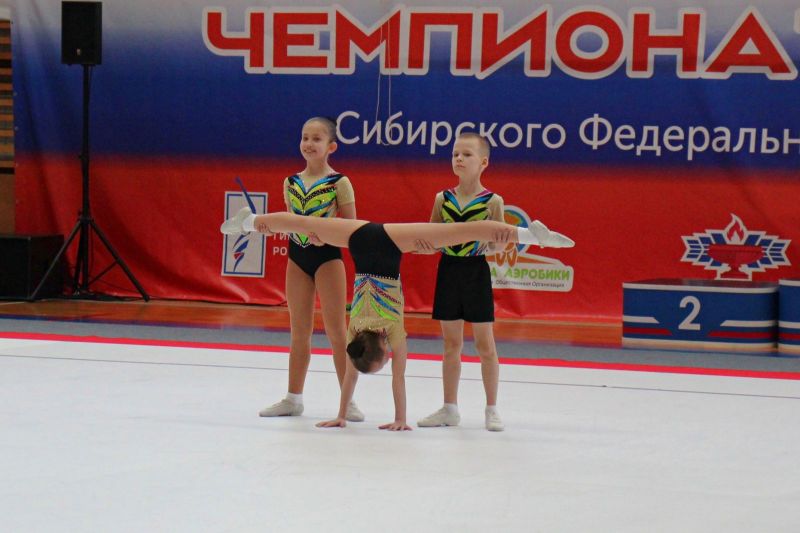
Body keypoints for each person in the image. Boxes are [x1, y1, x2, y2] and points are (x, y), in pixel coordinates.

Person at [220, 203, 574, 431]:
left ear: (384, 347)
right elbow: (352, 378)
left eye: (384, 359)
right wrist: (343, 414)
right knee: (300, 222)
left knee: (457, 233)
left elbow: (398, 379)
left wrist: (399, 419)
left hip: (389, 242)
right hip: (361, 237)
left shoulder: (393, 332)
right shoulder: (356, 332)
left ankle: (530, 235)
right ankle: (249, 221)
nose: (390, 361)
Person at [256, 117, 364, 422]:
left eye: (317, 139)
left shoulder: (339, 182)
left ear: (331, 147)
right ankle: (293, 398)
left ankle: (348, 400)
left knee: (337, 332)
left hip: (328, 259)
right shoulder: (290, 182)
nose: (309, 143)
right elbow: (291, 222)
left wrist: (326, 235)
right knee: (299, 331)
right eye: (305, 137)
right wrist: (271, 227)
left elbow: (352, 229)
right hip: (297, 259)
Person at [415, 132, 506, 431]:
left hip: (476, 272)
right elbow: (432, 236)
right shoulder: (443, 199)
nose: (459, 159)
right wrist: (424, 245)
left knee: (485, 345)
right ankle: (449, 407)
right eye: (455, 154)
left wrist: (493, 243)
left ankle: (491, 408)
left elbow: (500, 243)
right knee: (451, 343)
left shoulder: (493, 201)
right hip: (449, 271)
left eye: (467, 155)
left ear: (483, 163)